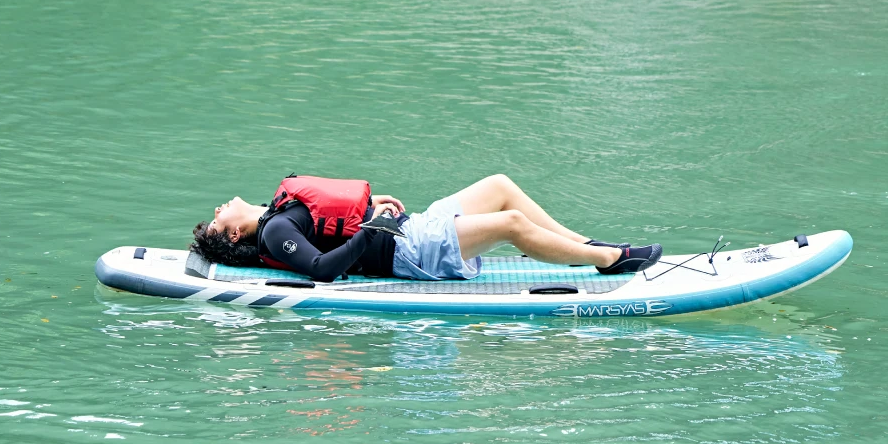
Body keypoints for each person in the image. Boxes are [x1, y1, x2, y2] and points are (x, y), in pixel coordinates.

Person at [190, 173, 662, 283]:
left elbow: (329, 221)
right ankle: (610, 261)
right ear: (233, 235)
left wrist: (370, 206)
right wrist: (372, 229)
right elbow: (320, 270)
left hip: (411, 229)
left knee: (500, 185)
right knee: (512, 224)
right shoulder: (273, 233)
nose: (218, 207)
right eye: (216, 219)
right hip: (407, 252)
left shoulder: (280, 206)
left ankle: (586, 244)